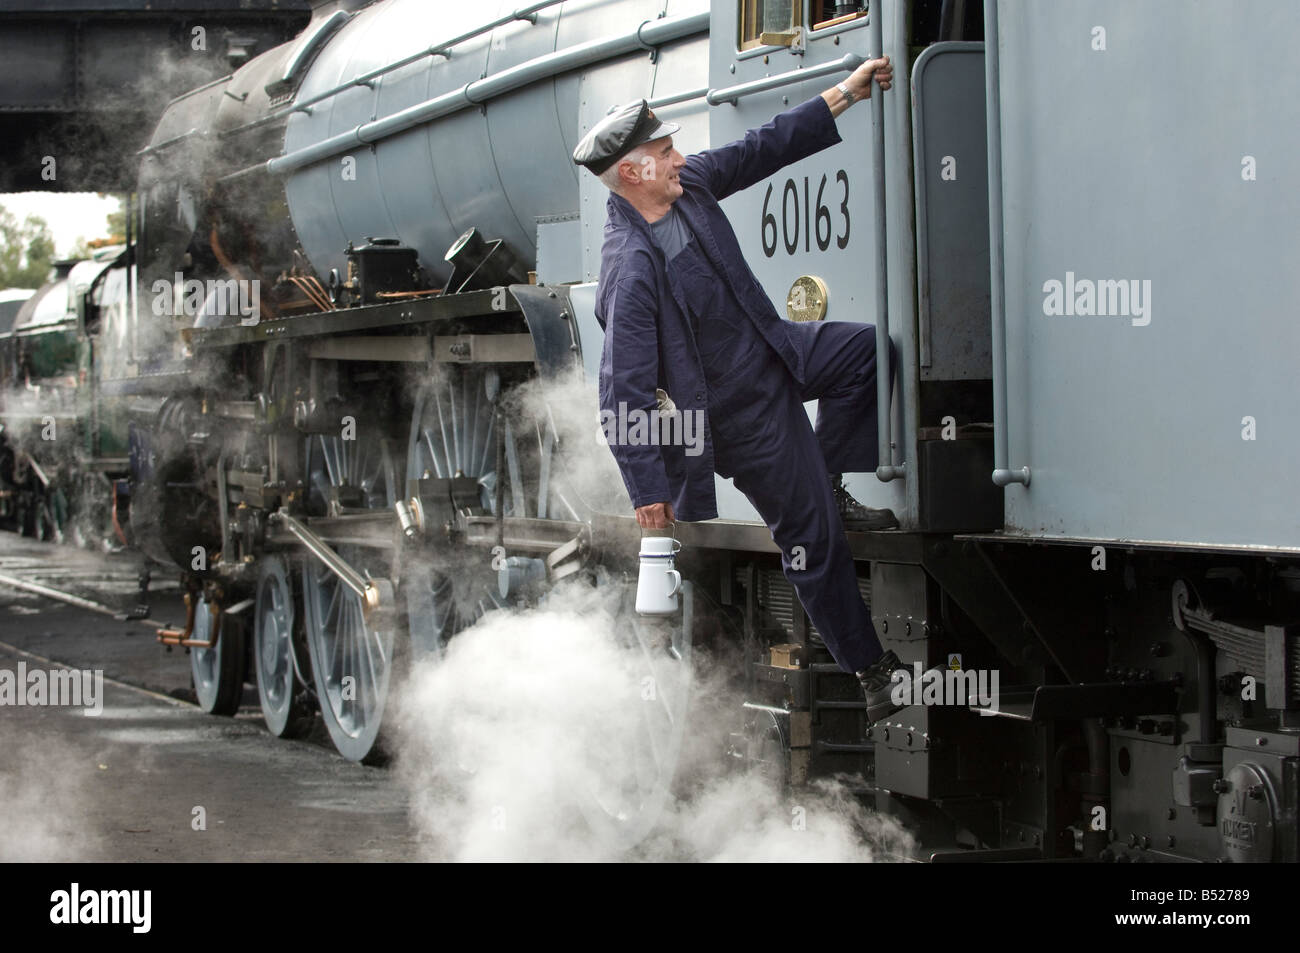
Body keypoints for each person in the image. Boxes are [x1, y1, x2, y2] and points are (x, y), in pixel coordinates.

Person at [573, 57, 917, 723]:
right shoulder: (629, 271)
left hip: (778, 348)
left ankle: (832, 480)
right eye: (665, 150)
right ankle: (872, 671)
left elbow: (761, 148)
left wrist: (843, 94)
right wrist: (648, 493)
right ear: (635, 172)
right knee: (810, 532)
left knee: (868, 352)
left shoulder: (689, 187)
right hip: (740, 419)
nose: (680, 156)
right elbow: (623, 395)